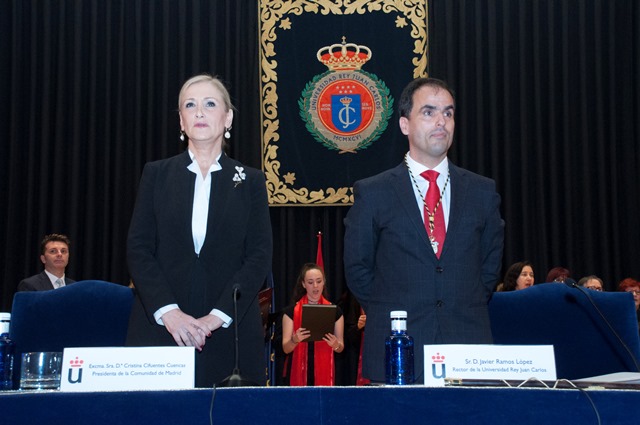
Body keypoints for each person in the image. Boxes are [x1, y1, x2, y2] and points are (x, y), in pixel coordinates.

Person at [343, 77, 504, 384]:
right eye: (429, 112)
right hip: (399, 353)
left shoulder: (482, 192)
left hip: (467, 349)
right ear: (405, 124)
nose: (441, 121)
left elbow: (488, 270)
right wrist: (393, 307)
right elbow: (357, 269)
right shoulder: (373, 192)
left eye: (448, 112)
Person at [126, 74, 273, 388]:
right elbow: (138, 248)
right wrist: (170, 313)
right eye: (189, 106)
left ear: (228, 117)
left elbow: (259, 256)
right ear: (181, 121)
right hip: (161, 329)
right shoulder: (156, 174)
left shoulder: (251, 181)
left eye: (210, 104)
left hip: (228, 334)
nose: (199, 112)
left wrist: (216, 317)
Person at [282, 263, 344, 386]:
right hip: (298, 371)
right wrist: (294, 340)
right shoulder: (290, 312)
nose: (315, 286)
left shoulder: (335, 311)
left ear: (324, 282)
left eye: (319, 281)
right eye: (310, 282)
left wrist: (336, 345)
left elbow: (341, 347)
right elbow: (285, 348)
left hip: (326, 370)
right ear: (303, 284)